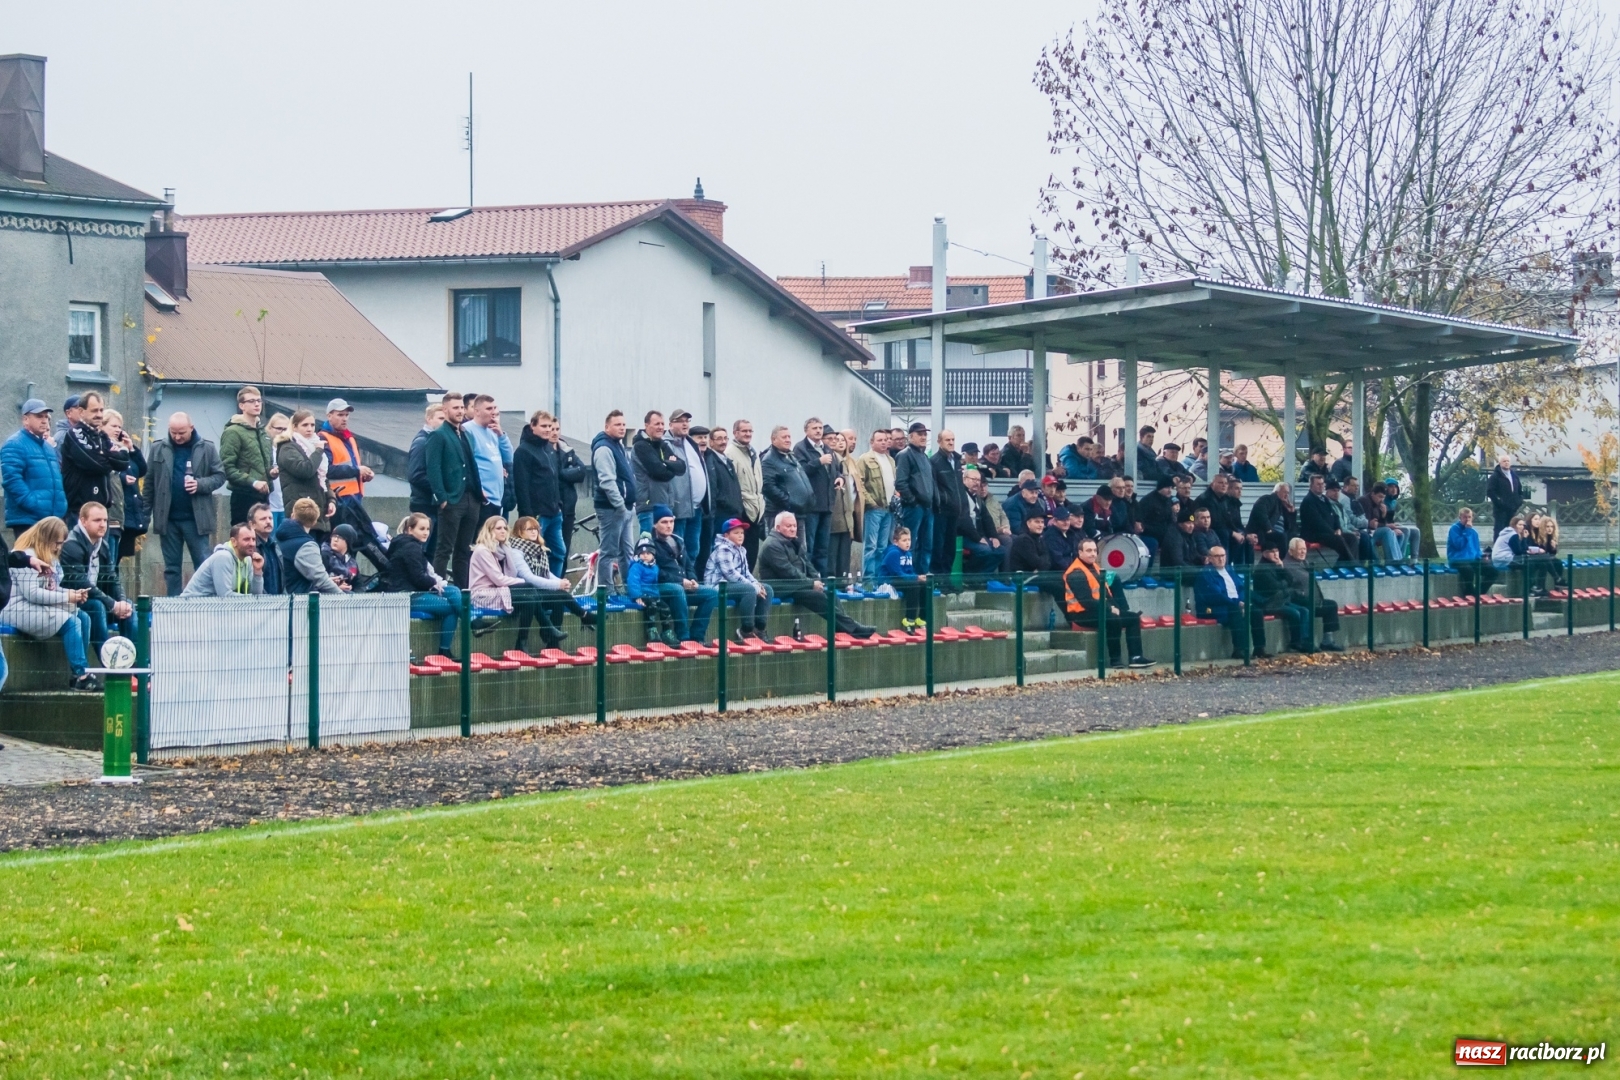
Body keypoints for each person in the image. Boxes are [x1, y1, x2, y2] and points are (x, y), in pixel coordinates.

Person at [3, 516, 97, 690]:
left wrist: (72, 594)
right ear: (46, 538)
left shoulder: (50, 556)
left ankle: (78, 673)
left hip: (35, 606)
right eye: (57, 543)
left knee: (83, 617)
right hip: (18, 608)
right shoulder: (27, 555)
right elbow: (32, 594)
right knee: (71, 622)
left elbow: (51, 589)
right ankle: (81, 672)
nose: (59, 547)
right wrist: (66, 597)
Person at [755, 512, 876, 638]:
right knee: (818, 597)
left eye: (794, 526)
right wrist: (811, 583)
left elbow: (807, 564)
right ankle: (854, 629)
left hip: (797, 585)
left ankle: (842, 630)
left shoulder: (793, 541)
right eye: (788, 526)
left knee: (831, 594)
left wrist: (817, 580)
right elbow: (788, 572)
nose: (792, 529)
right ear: (778, 527)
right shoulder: (771, 545)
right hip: (781, 587)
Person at [147, 412, 226, 596]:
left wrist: (200, 484)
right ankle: (174, 607)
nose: (177, 437)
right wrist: (145, 514)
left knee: (203, 565)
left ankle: (203, 605)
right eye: (173, 432)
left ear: (191, 428)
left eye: (181, 432)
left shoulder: (206, 448)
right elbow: (149, 482)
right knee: (172, 569)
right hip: (168, 520)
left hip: (196, 520)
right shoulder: (158, 448)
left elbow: (220, 476)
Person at [469, 515, 569, 652]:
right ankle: (544, 629)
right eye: (498, 528)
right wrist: (523, 582)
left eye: (505, 528)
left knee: (533, 598)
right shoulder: (482, 551)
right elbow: (499, 579)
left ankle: (523, 643)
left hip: (500, 590)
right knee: (528, 591)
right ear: (489, 530)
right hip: (484, 594)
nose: (503, 531)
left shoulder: (503, 549)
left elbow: (510, 575)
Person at [513, 410, 587, 577]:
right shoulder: (523, 452)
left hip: (555, 513)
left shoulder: (549, 448)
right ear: (533, 426)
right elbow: (521, 487)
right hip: (537, 516)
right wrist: (528, 517)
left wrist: (559, 506)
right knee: (533, 556)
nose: (547, 429)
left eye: (550, 426)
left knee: (559, 552)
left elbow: (555, 480)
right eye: (543, 426)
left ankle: (553, 589)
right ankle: (535, 594)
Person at [1062, 538, 1154, 668]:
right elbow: (1086, 601)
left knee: (1133, 618)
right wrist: (1110, 609)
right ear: (1080, 553)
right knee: (1113, 618)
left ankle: (1136, 657)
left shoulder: (1095, 567)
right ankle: (1115, 660)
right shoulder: (1075, 573)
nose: (1093, 554)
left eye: (1094, 550)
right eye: (1088, 551)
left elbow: (1106, 593)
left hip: (1099, 609)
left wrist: (1115, 607)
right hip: (1081, 614)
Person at [384, 512, 464, 659]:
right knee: (451, 608)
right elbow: (418, 578)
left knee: (453, 590)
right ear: (409, 529)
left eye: (428, 529)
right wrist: (434, 583)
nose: (426, 532)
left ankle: (470, 621)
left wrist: (435, 583)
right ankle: (468, 623)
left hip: (415, 591)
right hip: (407, 595)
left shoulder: (410, 545)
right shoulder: (411, 547)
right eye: (422, 529)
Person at [319, 398, 387, 569]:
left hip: (353, 501)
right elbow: (327, 470)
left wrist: (363, 475)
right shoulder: (323, 438)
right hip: (339, 502)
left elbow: (351, 467)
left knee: (353, 547)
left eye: (347, 415)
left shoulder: (349, 438)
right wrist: (357, 471)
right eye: (340, 414)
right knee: (343, 548)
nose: (345, 418)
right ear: (329, 415)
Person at [427, 393, 483, 587]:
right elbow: (432, 468)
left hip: (471, 498)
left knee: (464, 550)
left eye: (461, 407)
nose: (460, 411)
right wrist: (442, 497)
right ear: (445, 410)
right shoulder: (438, 435)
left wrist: (479, 493)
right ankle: (438, 592)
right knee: (444, 549)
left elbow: (471, 463)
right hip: (452, 500)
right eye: (455, 408)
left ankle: (463, 593)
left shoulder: (465, 434)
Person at [60, 501, 134, 646]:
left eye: (105, 520)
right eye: (97, 520)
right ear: (83, 521)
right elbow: (81, 582)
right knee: (96, 606)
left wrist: (121, 601)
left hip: (96, 598)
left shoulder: (102, 544)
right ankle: (108, 661)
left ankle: (134, 660)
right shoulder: (71, 545)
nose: (103, 524)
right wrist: (112, 604)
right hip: (72, 600)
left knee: (129, 606)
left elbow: (112, 577)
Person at [647, 504, 718, 643]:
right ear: (655, 524)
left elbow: (689, 565)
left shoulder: (678, 540)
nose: (669, 525)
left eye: (671, 521)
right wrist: (681, 581)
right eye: (664, 522)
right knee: (677, 589)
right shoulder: (649, 544)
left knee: (712, 594)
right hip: (660, 589)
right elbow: (654, 572)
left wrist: (692, 579)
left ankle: (697, 637)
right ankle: (683, 636)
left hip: (683, 587)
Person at [510, 516, 594, 631]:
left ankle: (553, 643)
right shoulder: (516, 551)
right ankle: (584, 616)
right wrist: (557, 585)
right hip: (525, 594)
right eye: (529, 529)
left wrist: (560, 582)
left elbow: (546, 572)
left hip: (538, 592)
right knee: (561, 595)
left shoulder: (537, 548)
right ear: (519, 532)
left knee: (559, 601)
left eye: (536, 528)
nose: (534, 531)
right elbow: (528, 578)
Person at [59, 391, 129, 522]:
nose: (99, 415)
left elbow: (123, 463)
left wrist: (117, 452)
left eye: (101, 410)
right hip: (80, 512)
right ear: (81, 412)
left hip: (102, 511)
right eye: (94, 411)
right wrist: (110, 457)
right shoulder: (75, 434)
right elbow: (96, 464)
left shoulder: (102, 436)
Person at [2, 398, 66, 541]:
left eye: (46, 417)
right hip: (27, 519)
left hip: (51, 519)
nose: (44, 420)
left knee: (49, 562)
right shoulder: (14, 444)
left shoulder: (48, 448)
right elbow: (12, 480)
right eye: (39, 416)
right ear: (25, 419)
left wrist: (61, 505)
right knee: (31, 561)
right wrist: (33, 503)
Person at [590, 410, 638, 593]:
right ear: (607, 426)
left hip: (625, 508)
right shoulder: (604, 448)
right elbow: (607, 481)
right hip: (612, 509)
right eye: (618, 424)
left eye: (624, 425)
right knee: (609, 553)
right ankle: (606, 594)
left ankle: (630, 590)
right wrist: (620, 505)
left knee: (627, 552)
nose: (622, 428)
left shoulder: (618, 446)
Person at [705, 517, 774, 641]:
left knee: (767, 589)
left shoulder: (741, 550)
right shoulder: (723, 549)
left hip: (735, 585)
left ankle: (760, 628)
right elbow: (730, 574)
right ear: (726, 535)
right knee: (748, 590)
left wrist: (756, 583)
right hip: (717, 586)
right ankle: (746, 630)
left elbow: (746, 573)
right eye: (736, 533)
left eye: (742, 533)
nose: (740, 536)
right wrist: (753, 587)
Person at [1193, 545, 1267, 658]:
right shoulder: (1205, 574)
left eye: (1223, 556)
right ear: (1210, 558)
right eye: (1217, 556)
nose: (1220, 559)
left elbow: (1241, 588)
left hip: (1235, 604)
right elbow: (1215, 596)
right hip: (1211, 608)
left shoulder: (1229, 569)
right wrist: (1237, 603)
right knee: (1235, 611)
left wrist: (1241, 601)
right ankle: (1239, 649)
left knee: (1256, 611)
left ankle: (1259, 648)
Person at [219, 386, 276, 528]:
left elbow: (262, 465)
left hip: (264, 496)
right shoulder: (233, 432)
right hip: (243, 495)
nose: (257, 404)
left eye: (259, 401)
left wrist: (271, 473)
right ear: (241, 405)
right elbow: (227, 467)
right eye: (251, 401)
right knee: (243, 539)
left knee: (263, 538)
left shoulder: (263, 432)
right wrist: (253, 482)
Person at [791, 418, 838, 576]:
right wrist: (818, 461)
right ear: (806, 431)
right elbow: (800, 471)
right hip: (811, 506)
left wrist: (840, 478)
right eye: (814, 428)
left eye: (820, 428)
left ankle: (822, 579)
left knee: (823, 547)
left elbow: (836, 469)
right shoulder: (800, 448)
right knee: (808, 547)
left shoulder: (826, 448)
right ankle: (809, 579)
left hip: (827, 504)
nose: (818, 431)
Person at [631, 410, 687, 536]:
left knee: (666, 547)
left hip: (666, 505)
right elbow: (659, 472)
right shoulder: (641, 446)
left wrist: (665, 463)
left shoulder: (662, 444)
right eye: (657, 424)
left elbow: (682, 467)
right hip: (649, 506)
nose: (661, 427)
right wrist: (669, 465)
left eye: (662, 424)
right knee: (649, 548)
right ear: (646, 425)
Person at [275, 409, 332, 533]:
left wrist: (331, 500)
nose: (309, 429)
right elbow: (305, 470)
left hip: (318, 512)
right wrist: (318, 452)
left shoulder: (313, 445)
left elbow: (323, 478)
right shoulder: (287, 447)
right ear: (294, 427)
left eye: (312, 425)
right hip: (301, 512)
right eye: (305, 425)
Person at [667, 411, 710, 575]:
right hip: (679, 507)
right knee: (678, 548)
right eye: (680, 421)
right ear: (670, 424)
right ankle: (680, 580)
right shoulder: (667, 443)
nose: (685, 424)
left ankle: (690, 580)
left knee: (693, 548)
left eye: (687, 421)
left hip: (697, 507)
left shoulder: (691, 443)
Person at [461, 394, 513, 529]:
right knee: (480, 540)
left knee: (493, 543)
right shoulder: (468, 430)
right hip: (482, 497)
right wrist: (479, 490)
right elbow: (467, 464)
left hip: (497, 496)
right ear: (477, 411)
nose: (493, 412)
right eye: (489, 408)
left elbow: (508, 458)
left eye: (495, 408)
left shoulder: (492, 431)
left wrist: (501, 435)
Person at [100, 409, 145, 561]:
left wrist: (131, 448)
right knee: (109, 561)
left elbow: (142, 469)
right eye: (114, 426)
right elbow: (109, 471)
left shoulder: (122, 447)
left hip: (125, 513)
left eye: (120, 427)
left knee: (116, 559)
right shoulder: (103, 448)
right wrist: (123, 477)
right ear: (102, 426)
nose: (118, 430)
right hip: (111, 509)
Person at [275, 498, 346, 594]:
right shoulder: (306, 546)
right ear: (314, 522)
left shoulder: (280, 537)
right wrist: (343, 596)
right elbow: (321, 580)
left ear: (293, 515)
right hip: (300, 599)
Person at [1251, 536, 1310, 652]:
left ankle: (1303, 641)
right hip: (1269, 603)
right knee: (1295, 613)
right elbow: (1275, 588)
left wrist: (1282, 568)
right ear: (1264, 554)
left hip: (1281, 600)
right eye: (1272, 552)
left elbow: (1291, 581)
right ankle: (1294, 643)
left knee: (1304, 611)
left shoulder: (1276, 565)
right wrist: (1285, 582)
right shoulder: (1262, 569)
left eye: (1277, 551)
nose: (1275, 554)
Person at [894, 422, 937, 577]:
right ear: (910, 436)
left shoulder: (924, 456)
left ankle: (923, 576)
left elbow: (931, 482)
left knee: (926, 545)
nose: (923, 437)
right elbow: (900, 482)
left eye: (925, 434)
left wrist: (933, 502)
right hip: (914, 507)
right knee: (909, 544)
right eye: (920, 434)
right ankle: (910, 577)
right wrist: (912, 500)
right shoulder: (905, 455)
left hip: (927, 507)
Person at [1285, 537, 1343, 650]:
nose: (1303, 552)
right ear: (1291, 551)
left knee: (1331, 605)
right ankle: (1306, 642)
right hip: (1298, 600)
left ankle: (1328, 641)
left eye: (1304, 549)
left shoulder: (1304, 562)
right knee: (1308, 608)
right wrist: (1300, 594)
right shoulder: (1286, 566)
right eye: (1300, 549)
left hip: (1313, 599)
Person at [179, 521, 265, 598]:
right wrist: (254, 600)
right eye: (246, 539)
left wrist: (257, 571)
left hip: (213, 608)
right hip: (191, 609)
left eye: (253, 539)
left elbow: (256, 595)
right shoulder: (223, 557)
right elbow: (225, 596)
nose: (252, 544)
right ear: (234, 541)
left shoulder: (248, 560)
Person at [406, 403, 446, 560]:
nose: (444, 422)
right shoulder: (422, 442)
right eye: (440, 418)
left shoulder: (435, 440)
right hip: (425, 504)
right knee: (421, 551)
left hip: (433, 504)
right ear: (429, 419)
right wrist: (440, 487)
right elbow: (415, 475)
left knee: (431, 552)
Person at [760, 423, 815, 535]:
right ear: (773, 439)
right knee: (781, 548)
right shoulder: (769, 460)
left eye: (789, 437)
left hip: (798, 513)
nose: (788, 440)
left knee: (800, 550)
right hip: (779, 514)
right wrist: (789, 502)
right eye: (784, 437)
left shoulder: (791, 456)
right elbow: (768, 487)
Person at [726, 419, 766, 568]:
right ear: (735, 433)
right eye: (744, 431)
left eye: (750, 431)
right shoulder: (730, 453)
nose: (748, 434)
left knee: (752, 553)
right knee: (740, 554)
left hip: (756, 510)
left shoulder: (753, 453)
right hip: (741, 510)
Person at [857, 429, 895, 582]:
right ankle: (868, 580)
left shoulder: (890, 460)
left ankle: (879, 580)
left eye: (886, 439)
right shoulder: (865, 459)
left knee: (882, 547)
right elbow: (860, 484)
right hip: (873, 509)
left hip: (889, 509)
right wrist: (871, 503)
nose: (884, 442)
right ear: (872, 442)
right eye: (879, 440)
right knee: (871, 547)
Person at [929, 430, 965, 582]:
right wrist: (943, 500)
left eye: (953, 439)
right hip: (941, 510)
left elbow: (958, 486)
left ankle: (947, 580)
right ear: (939, 442)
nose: (951, 442)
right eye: (947, 440)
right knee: (939, 546)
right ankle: (938, 581)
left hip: (955, 511)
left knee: (950, 548)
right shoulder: (935, 461)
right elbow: (934, 486)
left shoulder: (956, 460)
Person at [702, 427, 745, 548]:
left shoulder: (727, 461)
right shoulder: (710, 460)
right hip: (721, 515)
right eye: (719, 439)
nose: (723, 442)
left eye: (725, 438)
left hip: (733, 513)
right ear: (711, 442)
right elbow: (713, 489)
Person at [881, 524, 928, 630]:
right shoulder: (893, 553)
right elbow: (898, 574)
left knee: (925, 585)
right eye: (904, 540)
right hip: (889, 581)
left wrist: (919, 577)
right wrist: (916, 578)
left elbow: (910, 572)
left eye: (909, 540)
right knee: (914, 586)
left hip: (902, 579)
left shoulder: (908, 554)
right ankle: (909, 620)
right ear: (895, 542)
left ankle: (921, 618)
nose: (908, 543)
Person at [1300, 473, 1354, 562]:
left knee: (1352, 538)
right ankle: (1352, 564)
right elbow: (1318, 522)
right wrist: (1333, 532)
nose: (1321, 486)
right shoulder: (1308, 501)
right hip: (1315, 534)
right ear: (1311, 486)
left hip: (1329, 533)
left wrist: (1338, 528)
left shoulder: (1324, 499)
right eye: (1318, 484)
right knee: (1339, 540)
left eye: (1322, 484)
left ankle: (1341, 567)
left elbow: (1335, 515)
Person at [826, 430, 858, 582]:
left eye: (842, 440)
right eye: (835, 439)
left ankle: (843, 582)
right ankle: (833, 583)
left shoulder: (850, 463)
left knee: (844, 553)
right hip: (835, 514)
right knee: (832, 553)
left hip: (848, 514)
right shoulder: (833, 461)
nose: (839, 442)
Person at [1446, 507, 1493, 596]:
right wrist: (1467, 531)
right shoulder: (1454, 529)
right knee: (1469, 571)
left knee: (1493, 571)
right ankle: (1469, 593)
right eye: (1465, 517)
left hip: (1473, 559)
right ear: (1460, 518)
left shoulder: (1474, 532)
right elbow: (1459, 545)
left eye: (1469, 517)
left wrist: (1482, 556)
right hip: (1458, 559)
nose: (1467, 520)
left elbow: (1476, 549)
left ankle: (1479, 593)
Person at [246, 503, 283, 595]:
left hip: (278, 602)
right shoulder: (250, 548)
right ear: (252, 524)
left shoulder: (275, 545)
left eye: (270, 518)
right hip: (260, 604)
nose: (268, 522)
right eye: (263, 519)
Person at [1138, 475, 1178, 557]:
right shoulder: (1148, 501)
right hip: (1151, 535)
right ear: (1160, 487)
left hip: (1165, 536)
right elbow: (1142, 522)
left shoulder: (1168, 500)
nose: (1170, 490)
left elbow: (1169, 521)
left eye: (1171, 487)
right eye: (1167, 487)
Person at [1486, 454, 1524, 538]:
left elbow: (1520, 491)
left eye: (1508, 461)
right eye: (1504, 461)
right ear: (1499, 463)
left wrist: (1519, 501)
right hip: (1500, 511)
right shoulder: (1495, 476)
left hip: (1513, 509)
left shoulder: (1514, 476)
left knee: (1512, 530)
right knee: (1499, 531)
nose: (1506, 463)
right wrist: (1500, 503)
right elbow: (1490, 492)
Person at [1247, 481, 1296, 547]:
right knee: (1282, 537)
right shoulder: (1267, 499)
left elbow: (1290, 527)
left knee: (1294, 538)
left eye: (1288, 493)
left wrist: (1291, 513)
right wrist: (1268, 529)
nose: (1287, 495)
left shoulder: (1283, 506)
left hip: (1280, 534)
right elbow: (1260, 512)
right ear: (1276, 491)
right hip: (1266, 534)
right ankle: (1280, 557)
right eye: (1285, 492)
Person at [263, 412, 291, 527]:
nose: (282, 432)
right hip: (270, 503)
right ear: (270, 428)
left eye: (285, 429)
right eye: (279, 428)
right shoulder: (266, 448)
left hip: (285, 503)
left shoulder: (290, 449)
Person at [322, 524, 361, 590]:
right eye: (333, 536)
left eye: (340, 537)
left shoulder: (352, 562)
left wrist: (352, 590)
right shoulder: (324, 556)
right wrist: (336, 588)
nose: (335, 539)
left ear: (348, 542)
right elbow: (317, 582)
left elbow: (359, 584)